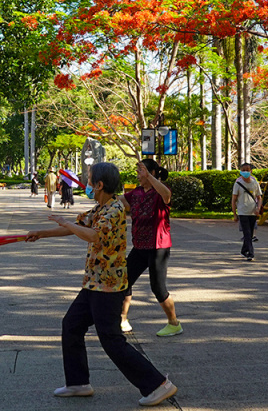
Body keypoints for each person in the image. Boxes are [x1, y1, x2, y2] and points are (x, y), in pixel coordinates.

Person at [25, 162, 177, 407]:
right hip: (94, 283)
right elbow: (80, 228)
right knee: (72, 325)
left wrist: (68, 224)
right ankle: (78, 383)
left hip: (108, 285)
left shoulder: (113, 210)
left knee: (111, 339)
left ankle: (158, 384)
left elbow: (94, 236)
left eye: (89, 179)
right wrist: (41, 232)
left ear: (100, 185)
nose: (86, 184)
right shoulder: (101, 208)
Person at [119, 160, 182, 337]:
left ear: (151, 172)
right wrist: (101, 191)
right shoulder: (137, 193)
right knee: (124, 280)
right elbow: (120, 202)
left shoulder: (160, 191)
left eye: (141, 171)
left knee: (158, 288)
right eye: (138, 171)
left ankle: (174, 323)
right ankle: (123, 319)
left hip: (158, 246)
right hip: (139, 245)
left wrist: (151, 177)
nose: (138, 174)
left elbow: (167, 194)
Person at [232, 163, 263, 261]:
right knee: (247, 232)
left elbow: (259, 197)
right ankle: (250, 253)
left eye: (247, 170)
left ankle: (244, 250)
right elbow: (233, 200)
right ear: (240, 171)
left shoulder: (255, 183)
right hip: (242, 211)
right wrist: (234, 214)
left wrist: (258, 207)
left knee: (249, 234)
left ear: (251, 171)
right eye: (243, 170)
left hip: (253, 211)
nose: (245, 172)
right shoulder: (237, 184)